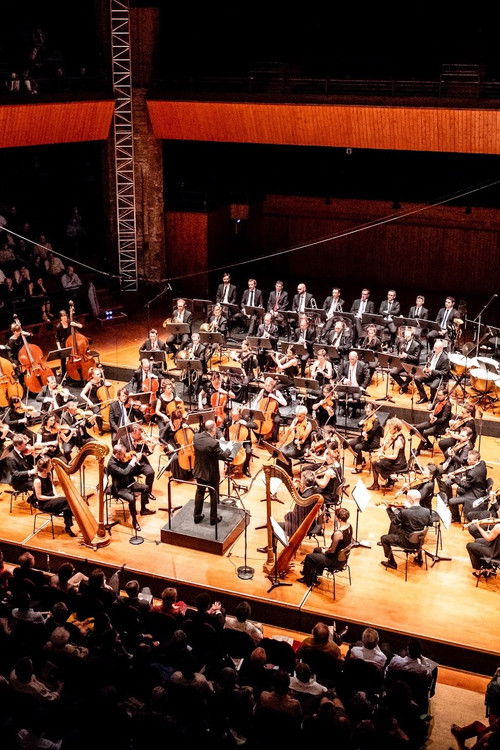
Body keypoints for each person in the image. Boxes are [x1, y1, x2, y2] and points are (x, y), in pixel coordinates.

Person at [298, 507, 353, 586]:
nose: (334, 517)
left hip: (334, 560)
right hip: (342, 558)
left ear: (339, 519)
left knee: (309, 557)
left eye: (335, 516)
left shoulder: (338, 533)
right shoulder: (349, 526)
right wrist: (327, 548)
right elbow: (343, 543)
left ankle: (308, 580)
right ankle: (314, 574)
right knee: (317, 549)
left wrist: (325, 551)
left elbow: (332, 550)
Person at [380, 489, 431, 570]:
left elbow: (394, 522)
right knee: (417, 531)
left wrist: (390, 509)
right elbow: (430, 523)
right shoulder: (427, 511)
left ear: (410, 499)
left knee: (384, 538)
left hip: (406, 542)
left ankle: (391, 563)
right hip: (419, 541)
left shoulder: (405, 512)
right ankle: (419, 558)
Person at [107, 443, 154, 531]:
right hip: (119, 488)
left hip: (129, 482)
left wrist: (135, 460)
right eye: (123, 454)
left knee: (146, 488)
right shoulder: (111, 464)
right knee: (132, 499)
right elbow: (124, 472)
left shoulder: (122, 458)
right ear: (117, 454)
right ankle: (134, 521)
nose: (125, 455)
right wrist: (132, 462)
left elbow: (129, 470)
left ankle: (143, 509)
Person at [193, 419, 231, 525]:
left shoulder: (196, 437)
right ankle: (213, 519)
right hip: (211, 474)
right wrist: (229, 449)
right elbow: (223, 456)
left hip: (199, 471)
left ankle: (197, 517)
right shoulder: (214, 443)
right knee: (213, 494)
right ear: (213, 429)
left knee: (200, 493)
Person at [29, 455, 76, 536]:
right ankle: (69, 524)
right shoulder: (37, 481)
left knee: (67, 503)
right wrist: (54, 497)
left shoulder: (49, 474)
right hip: (44, 504)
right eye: (50, 466)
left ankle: (68, 525)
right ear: (44, 469)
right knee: (67, 501)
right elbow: (39, 497)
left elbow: (52, 485)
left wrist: (56, 495)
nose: (51, 467)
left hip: (52, 499)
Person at [369, 417, 407, 490]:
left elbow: (394, 456)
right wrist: (384, 444)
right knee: (377, 462)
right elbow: (385, 448)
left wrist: (383, 455)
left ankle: (377, 484)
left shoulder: (398, 441)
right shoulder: (396, 435)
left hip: (398, 463)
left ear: (395, 429)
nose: (389, 429)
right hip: (397, 460)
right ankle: (388, 481)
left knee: (375, 463)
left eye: (390, 428)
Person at [413, 388, 452, 453]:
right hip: (433, 421)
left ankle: (418, 449)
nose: (438, 396)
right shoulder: (438, 400)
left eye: (440, 395)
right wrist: (430, 410)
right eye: (438, 395)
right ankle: (428, 443)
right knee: (418, 427)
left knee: (425, 433)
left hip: (441, 426)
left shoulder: (447, 405)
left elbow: (444, 419)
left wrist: (436, 420)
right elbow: (433, 409)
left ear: (445, 395)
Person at [350, 401, 383, 473]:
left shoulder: (376, 421)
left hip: (373, 441)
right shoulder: (367, 416)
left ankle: (359, 467)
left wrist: (366, 435)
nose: (367, 413)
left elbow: (371, 434)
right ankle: (360, 458)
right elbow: (360, 425)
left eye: (368, 412)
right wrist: (360, 424)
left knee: (357, 447)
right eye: (366, 411)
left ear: (373, 411)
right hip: (364, 438)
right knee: (350, 444)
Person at [414, 339, 449, 404]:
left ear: (441, 348)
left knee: (433, 386)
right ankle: (423, 397)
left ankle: (432, 399)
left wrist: (432, 371)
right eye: (434, 347)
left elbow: (444, 372)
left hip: (438, 376)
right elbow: (428, 363)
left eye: (436, 348)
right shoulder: (432, 353)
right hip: (429, 373)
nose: (434, 349)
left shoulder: (445, 358)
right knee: (416, 379)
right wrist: (426, 368)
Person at [338, 350, 370, 417]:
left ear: (357, 358)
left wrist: (362, 387)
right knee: (340, 394)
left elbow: (367, 377)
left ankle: (354, 410)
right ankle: (344, 409)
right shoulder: (345, 364)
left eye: (352, 359)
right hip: (347, 386)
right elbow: (340, 374)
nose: (351, 361)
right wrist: (345, 379)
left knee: (356, 397)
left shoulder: (362, 365)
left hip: (357, 387)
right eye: (350, 359)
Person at [389, 328, 421, 392]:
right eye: (405, 336)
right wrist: (398, 355)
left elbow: (416, 358)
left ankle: (403, 387)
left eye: (408, 336)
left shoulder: (416, 345)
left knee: (410, 376)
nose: (406, 338)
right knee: (392, 373)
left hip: (411, 364)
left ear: (412, 336)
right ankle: (403, 385)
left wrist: (406, 356)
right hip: (402, 362)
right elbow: (397, 350)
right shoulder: (401, 341)